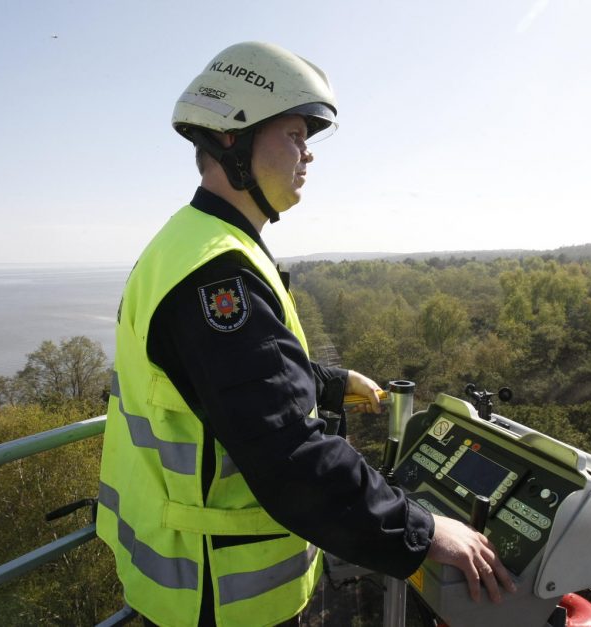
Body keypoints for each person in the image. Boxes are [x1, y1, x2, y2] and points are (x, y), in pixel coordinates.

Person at [97, 41, 515, 627]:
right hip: (220, 595)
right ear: (230, 139)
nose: (308, 155)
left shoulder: (191, 245)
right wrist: (422, 531)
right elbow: (288, 452)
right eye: (295, 135)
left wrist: (329, 382)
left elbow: (222, 385)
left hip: (179, 575)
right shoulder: (218, 276)